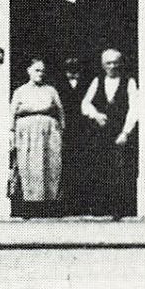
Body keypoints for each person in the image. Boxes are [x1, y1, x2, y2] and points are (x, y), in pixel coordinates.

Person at [82, 47, 140, 218]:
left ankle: (119, 209)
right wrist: (95, 115)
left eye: (115, 62)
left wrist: (126, 132)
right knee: (100, 168)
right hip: (101, 133)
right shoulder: (97, 81)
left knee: (120, 170)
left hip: (119, 132)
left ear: (120, 64)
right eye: (108, 63)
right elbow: (85, 104)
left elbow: (134, 108)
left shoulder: (129, 82)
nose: (112, 66)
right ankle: (100, 207)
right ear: (103, 65)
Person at [9, 58, 65, 217]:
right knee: (29, 167)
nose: (40, 74)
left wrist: (61, 131)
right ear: (28, 71)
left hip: (49, 134)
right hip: (27, 134)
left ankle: (49, 205)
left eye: (42, 71)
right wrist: (11, 133)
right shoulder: (20, 91)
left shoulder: (51, 91)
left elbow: (60, 112)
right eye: (36, 70)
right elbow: (12, 114)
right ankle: (29, 207)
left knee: (50, 166)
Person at [55, 57, 93, 214]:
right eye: (69, 67)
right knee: (66, 165)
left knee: (85, 165)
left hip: (84, 129)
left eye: (75, 67)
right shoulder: (57, 85)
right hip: (66, 129)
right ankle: (67, 204)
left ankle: (84, 203)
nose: (72, 70)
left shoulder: (88, 83)